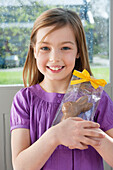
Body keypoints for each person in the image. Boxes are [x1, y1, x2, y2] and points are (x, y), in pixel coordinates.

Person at [10, 8, 113, 170]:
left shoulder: (96, 97)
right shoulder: (24, 101)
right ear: (34, 50)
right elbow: (21, 166)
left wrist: (96, 137)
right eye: (45, 48)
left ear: (78, 51)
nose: (55, 58)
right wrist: (55, 135)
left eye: (65, 48)